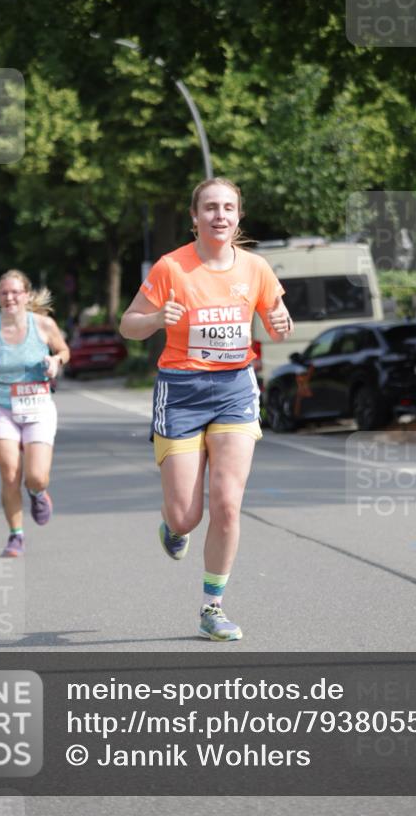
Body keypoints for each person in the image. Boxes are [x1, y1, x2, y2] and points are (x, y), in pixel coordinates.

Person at [120, 178, 293, 641]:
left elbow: (279, 323)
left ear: (239, 217)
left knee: (228, 505)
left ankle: (212, 607)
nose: (220, 215)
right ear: (194, 217)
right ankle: (172, 527)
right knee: (185, 516)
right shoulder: (171, 267)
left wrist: (280, 322)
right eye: (210, 208)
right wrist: (157, 319)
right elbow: (128, 324)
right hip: (181, 390)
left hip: (236, 388)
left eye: (228, 208)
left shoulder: (256, 268)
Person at [0, 270, 70, 557]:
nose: (9, 297)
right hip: (2, 407)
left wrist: (56, 361)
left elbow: (64, 350)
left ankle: (37, 493)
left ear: (26, 295)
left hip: (39, 405)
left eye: (15, 292)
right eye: (4, 292)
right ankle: (16, 535)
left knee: (36, 477)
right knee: (10, 474)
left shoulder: (44, 325)